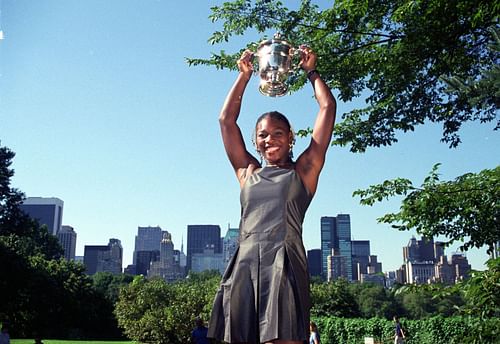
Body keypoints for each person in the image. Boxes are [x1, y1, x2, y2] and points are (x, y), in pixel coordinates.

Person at [207, 45, 336, 344]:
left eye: (278, 133)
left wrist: (311, 72)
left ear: (291, 138)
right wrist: (245, 76)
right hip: (245, 265)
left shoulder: (304, 170)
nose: (270, 139)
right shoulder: (246, 173)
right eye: (263, 135)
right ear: (255, 140)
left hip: (285, 264)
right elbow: (226, 121)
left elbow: (327, 108)